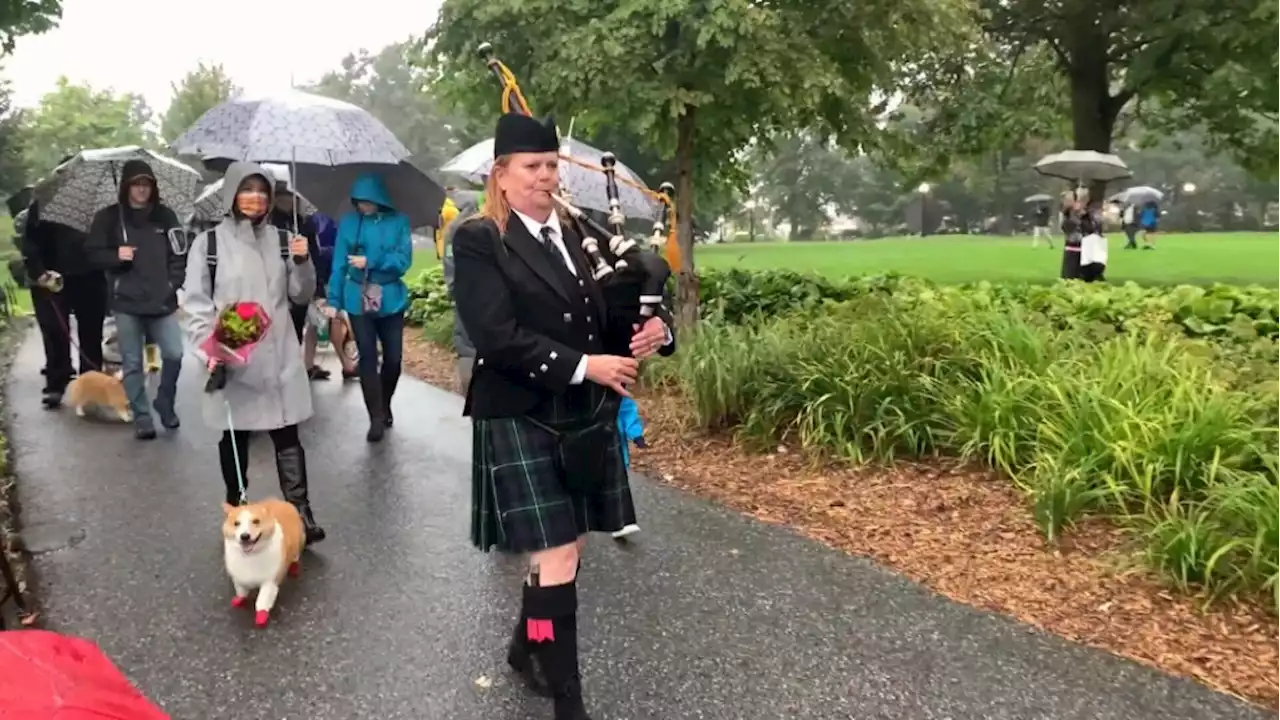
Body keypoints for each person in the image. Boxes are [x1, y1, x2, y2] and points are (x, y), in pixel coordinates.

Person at [453, 112, 676, 720]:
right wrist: (586, 365)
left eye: (552, 165)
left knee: (566, 545)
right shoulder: (479, 239)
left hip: (582, 410)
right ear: (501, 176)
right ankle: (568, 701)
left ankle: (531, 648)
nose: (546, 176)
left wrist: (657, 329)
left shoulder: (582, 234)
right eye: (532, 167)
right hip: (520, 407)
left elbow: (621, 310)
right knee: (558, 555)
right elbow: (495, 337)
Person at [183, 162, 326, 545]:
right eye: (247, 189)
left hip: (279, 352)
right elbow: (196, 304)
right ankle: (239, 509)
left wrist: (302, 261)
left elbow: (300, 294)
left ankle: (300, 513)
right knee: (235, 436)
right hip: (232, 353)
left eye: (262, 190)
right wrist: (206, 350)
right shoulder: (208, 244)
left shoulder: (283, 239)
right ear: (231, 194)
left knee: (287, 432)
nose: (256, 197)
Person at [84, 160, 186, 439]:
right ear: (126, 186)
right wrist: (116, 256)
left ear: (153, 187)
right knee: (132, 362)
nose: (141, 189)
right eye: (136, 184)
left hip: (162, 300)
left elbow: (179, 254)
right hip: (126, 301)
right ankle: (141, 415)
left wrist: (171, 283)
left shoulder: (166, 217)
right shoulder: (108, 218)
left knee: (175, 354)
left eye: (146, 184)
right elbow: (92, 254)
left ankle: (164, 401)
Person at [326, 172, 413, 443]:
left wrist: (371, 260)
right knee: (366, 355)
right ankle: (375, 416)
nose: (363, 206)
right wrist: (333, 300)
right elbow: (339, 263)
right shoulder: (350, 223)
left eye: (367, 201)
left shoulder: (399, 222)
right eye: (358, 201)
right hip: (357, 298)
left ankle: (384, 402)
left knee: (394, 359)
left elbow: (404, 260)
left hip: (390, 298)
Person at [21, 198, 108, 409]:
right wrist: (38, 271)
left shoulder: (104, 205)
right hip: (52, 277)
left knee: (91, 332)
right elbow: (30, 241)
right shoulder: (44, 203)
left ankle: (91, 384)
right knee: (54, 329)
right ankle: (57, 382)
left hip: (91, 276)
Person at [269, 181, 329, 381]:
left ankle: (290, 372)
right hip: (275, 285)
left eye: (291, 196)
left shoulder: (304, 223)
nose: (288, 200)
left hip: (299, 284)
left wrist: (318, 287)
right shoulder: (268, 223)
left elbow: (315, 255)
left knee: (295, 330)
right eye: (283, 196)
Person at [442, 190, 480, 392]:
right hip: (483, 297)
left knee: (466, 347)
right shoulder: (489, 225)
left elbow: (449, 263)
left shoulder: (454, 229)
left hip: (465, 298)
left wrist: (453, 288)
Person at [612, 396, 647, 541]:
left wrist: (636, 434)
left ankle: (621, 522)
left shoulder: (613, 389)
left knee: (617, 482)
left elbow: (626, 409)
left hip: (612, 442)